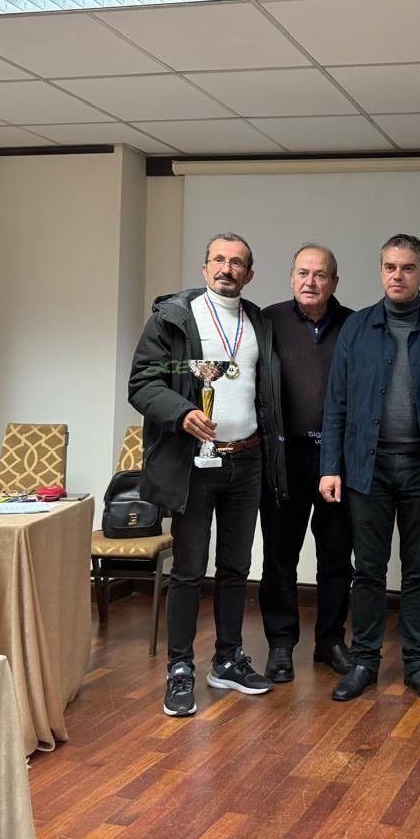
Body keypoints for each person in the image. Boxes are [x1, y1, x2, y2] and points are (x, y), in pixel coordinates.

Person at [129, 232, 286, 718]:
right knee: (188, 570)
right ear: (204, 268)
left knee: (236, 568)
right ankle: (180, 668)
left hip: (247, 460)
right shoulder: (174, 317)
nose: (227, 268)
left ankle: (228, 659)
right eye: (219, 259)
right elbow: (143, 382)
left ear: (249, 274)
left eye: (237, 262)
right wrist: (181, 413)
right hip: (193, 462)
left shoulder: (259, 323)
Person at [319, 233, 420, 705]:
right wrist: (330, 467)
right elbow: (336, 403)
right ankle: (365, 662)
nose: (397, 276)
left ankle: (418, 665)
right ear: (381, 271)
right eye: (390, 267)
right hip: (368, 470)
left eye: (407, 268)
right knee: (367, 570)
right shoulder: (357, 327)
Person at [259, 245, 354, 683]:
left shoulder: (354, 325)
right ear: (291, 276)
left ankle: (330, 641)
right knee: (280, 556)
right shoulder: (268, 321)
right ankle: (280, 645)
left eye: (319, 275)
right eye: (302, 273)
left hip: (338, 461)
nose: (310, 282)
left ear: (334, 282)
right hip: (285, 459)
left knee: (336, 558)